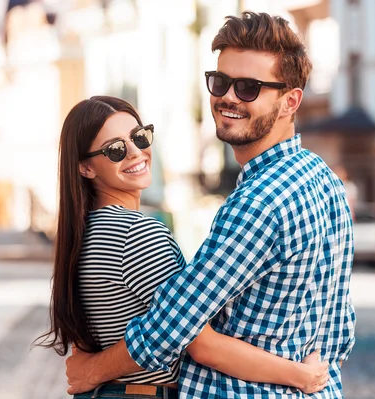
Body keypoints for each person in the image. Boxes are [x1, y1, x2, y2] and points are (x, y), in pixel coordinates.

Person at [66, 12, 356, 399]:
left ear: (290, 101)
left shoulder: (260, 201)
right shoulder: (326, 180)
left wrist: (91, 372)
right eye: (221, 82)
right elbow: (341, 329)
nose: (228, 97)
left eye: (249, 87)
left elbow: (173, 326)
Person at [36, 95, 330, 399]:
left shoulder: (87, 233)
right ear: (86, 168)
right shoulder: (135, 233)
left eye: (139, 136)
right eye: (115, 149)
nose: (136, 152)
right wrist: (300, 375)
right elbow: (201, 345)